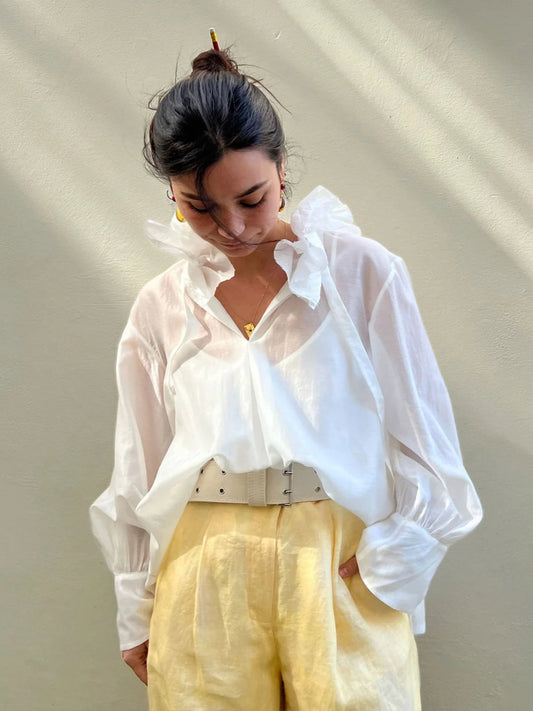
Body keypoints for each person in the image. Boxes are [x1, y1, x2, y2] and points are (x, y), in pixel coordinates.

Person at [90, 35, 482, 711]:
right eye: (199, 207)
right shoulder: (161, 306)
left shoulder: (360, 275)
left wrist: (399, 555)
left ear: (280, 169)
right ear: (173, 194)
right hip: (203, 565)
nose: (233, 227)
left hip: (333, 554)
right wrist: (135, 604)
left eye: (253, 197)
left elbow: (426, 438)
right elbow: (140, 467)